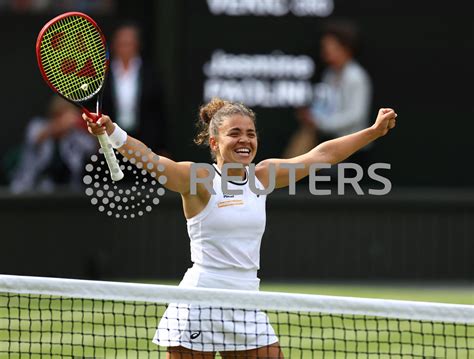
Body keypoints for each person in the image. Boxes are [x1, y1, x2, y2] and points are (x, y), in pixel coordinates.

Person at [83, 97, 397, 358]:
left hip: (247, 300)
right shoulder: (200, 179)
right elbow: (151, 161)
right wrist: (113, 131)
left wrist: (371, 132)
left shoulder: (263, 176)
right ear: (214, 142)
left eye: (250, 133)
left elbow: (323, 154)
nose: (245, 140)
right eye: (235, 133)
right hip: (200, 301)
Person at [284, 21, 372, 174]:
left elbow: (355, 117)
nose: (325, 51)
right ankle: (285, 173)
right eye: (324, 47)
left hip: (353, 150)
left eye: (330, 46)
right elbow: (324, 105)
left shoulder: (355, 77)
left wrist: (321, 122)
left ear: (345, 48)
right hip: (330, 144)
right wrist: (312, 117)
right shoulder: (330, 75)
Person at [103, 21, 169, 156]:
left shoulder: (151, 73)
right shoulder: (104, 74)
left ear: (137, 45)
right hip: (110, 142)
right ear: (115, 46)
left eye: (129, 44)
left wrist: (162, 147)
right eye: (121, 44)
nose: (125, 48)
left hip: (146, 142)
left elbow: (160, 112)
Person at [9, 96, 96, 194]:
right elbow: (36, 138)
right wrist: (61, 125)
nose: (66, 120)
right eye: (61, 115)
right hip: (31, 189)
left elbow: (92, 148)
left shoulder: (75, 134)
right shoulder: (37, 125)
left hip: (69, 191)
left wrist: (88, 127)